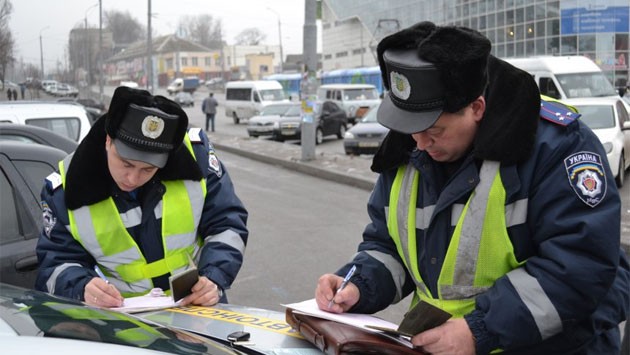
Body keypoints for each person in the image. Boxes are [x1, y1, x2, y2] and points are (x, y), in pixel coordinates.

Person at [314, 22, 629, 355]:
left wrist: (479, 330)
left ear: (476, 108)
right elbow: (388, 244)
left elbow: (579, 264)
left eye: (434, 129)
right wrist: (358, 284)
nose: (419, 143)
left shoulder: (556, 147)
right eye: (411, 129)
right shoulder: (411, 144)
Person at [36, 86, 248, 309]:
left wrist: (213, 277)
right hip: (128, 324)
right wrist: (81, 287)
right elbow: (55, 262)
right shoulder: (64, 190)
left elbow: (227, 223)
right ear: (108, 141)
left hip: (198, 310)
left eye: (148, 169)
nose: (132, 178)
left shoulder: (197, 157)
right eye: (126, 163)